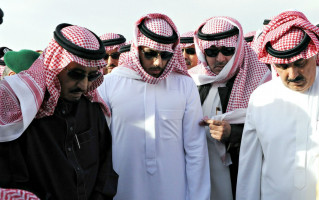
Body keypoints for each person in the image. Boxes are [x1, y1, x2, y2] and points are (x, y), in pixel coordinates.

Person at [236, 10, 319, 200]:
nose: (293, 74)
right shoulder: (261, 98)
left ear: (315, 54)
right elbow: (249, 170)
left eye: (300, 63)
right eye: (282, 66)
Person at [98, 13, 210, 200]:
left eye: (165, 55)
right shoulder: (109, 84)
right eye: (150, 54)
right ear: (137, 48)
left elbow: (196, 149)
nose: (158, 62)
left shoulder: (184, 85)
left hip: (174, 190)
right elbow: (99, 149)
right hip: (122, 190)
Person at [0, 23, 118, 199]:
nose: (85, 86)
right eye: (76, 74)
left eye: (91, 75)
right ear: (54, 66)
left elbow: (105, 168)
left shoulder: (92, 108)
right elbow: (13, 178)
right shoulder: (22, 108)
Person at [189, 16, 271, 200]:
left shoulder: (260, 81)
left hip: (237, 173)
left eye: (227, 50)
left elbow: (272, 132)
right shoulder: (191, 81)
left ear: (238, 48)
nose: (220, 58)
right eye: (212, 52)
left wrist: (233, 133)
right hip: (199, 171)